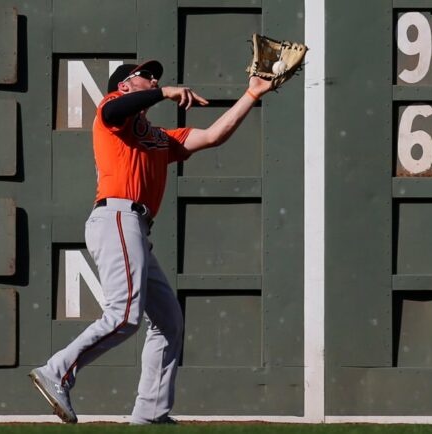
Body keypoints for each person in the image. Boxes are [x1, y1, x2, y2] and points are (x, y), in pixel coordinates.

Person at [30, 60, 279, 424]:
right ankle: (58, 371)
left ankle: (150, 412)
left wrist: (252, 94)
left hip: (134, 226)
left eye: (155, 77)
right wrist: (162, 92)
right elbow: (115, 107)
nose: (154, 78)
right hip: (116, 215)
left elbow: (211, 136)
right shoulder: (112, 113)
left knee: (168, 322)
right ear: (126, 86)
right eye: (146, 75)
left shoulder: (159, 137)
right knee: (124, 316)